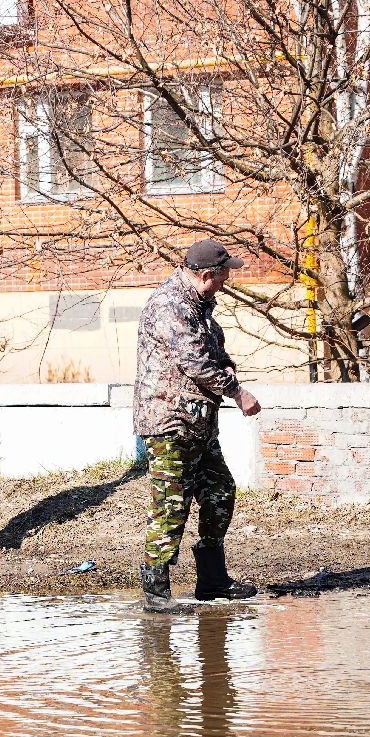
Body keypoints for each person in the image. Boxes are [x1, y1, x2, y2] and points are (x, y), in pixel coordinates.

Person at [134, 239, 263, 612]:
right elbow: (196, 363)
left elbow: (214, 354)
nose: (226, 281)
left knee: (220, 492)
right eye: (224, 275)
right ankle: (156, 594)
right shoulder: (170, 306)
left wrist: (229, 365)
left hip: (199, 422)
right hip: (171, 421)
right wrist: (238, 392)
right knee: (171, 504)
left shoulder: (199, 306)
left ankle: (212, 581)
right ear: (206, 275)